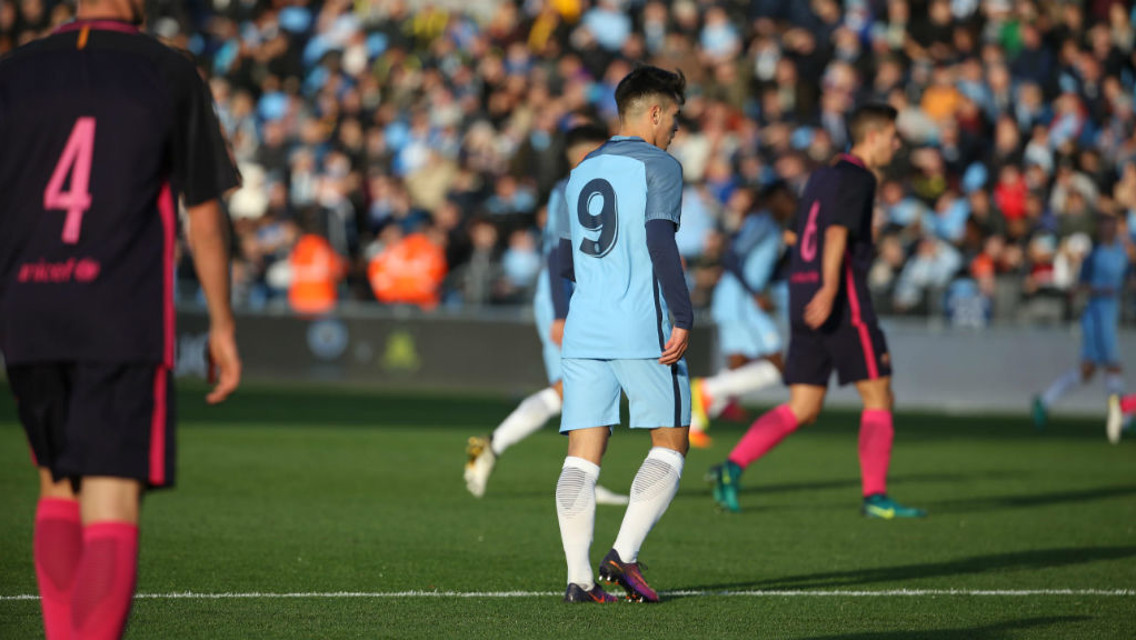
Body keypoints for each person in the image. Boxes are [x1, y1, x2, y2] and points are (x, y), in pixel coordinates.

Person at [0, 2, 242, 638]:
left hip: (29, 309)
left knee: (57, 488)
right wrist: (222, 322)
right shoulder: (166, 70)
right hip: (118, 309)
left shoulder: (13, 72)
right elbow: (206, 217)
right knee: (110, 497)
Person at [707, 104, 927, 520]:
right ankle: (875, 497)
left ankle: (731, 468)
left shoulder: (822, 176)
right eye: (893, 136)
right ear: (874, 135)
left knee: (804, 405)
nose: (896, 145)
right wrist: (829, 288)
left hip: (799, 291)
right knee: (878, 394)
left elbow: (796, 231)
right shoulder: (859, 176)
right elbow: (836, 232)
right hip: (840, 297)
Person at [554, 66, 692, 604]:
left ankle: (578, 579)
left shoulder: (583, 168)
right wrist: (683, 314)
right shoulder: (661, 166)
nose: (676, 128)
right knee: (672, 443)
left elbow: (566, 258)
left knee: (581, 458)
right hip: (642, 326)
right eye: (675, 115)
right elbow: (661, 242)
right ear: (654, 112)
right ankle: (624, 555)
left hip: (585, 325)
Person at [464, 123, 628, 506]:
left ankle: (497, 449)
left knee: (580, 392)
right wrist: (560, 312)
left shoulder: (590, 188)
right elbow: (558, 253)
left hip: (582, 299)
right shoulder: (570, 190)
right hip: (566, 299)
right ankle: (494, 446)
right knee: (584, 390)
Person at [689, 183, 797, 448]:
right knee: (775, 365)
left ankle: (693, 423)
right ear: (775, 200)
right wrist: (753, 292)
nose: (793, 206)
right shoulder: (763, 223)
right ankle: (706, 390)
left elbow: (764, 267)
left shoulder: (769, 226)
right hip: (740, 301)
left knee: (739, 363)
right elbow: (733, 257)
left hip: (737, 299)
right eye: (789, 200)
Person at [1034, 215, 1130, 429]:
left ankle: (1045, 401)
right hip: (1096, 314)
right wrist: (1100, 290)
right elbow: (1079, 286)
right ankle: (1125, 419)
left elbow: (1126, 279)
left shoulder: (1121, 253)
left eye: (1111, 226)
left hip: (1110, 312)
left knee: (1088, 370)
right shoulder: (1093, 256)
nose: (1108, 230)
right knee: (1112, 365)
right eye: (1104, 226)